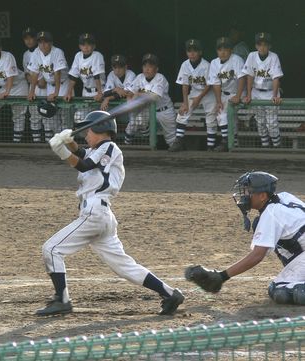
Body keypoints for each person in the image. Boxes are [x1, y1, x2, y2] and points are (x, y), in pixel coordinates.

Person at [36, 110, 185, 316]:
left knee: (51, 249)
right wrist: (69, 143)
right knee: (124, 266)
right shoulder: (100, 149)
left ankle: (62, 300)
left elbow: (85, 164)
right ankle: (170, 294)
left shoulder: (109, 147)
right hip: (101, 216)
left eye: (89, 129)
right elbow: (82, 154)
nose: (86, 134)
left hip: (94, 213)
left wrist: (62, 152)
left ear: (100, 129)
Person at [185, 171, 305, 305]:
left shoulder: (271, 214)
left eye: (249, 192)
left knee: (280, 290)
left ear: (263, 196)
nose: (244, 195)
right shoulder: (285, 197)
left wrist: (222, 276)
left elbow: (257, 256)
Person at [169, 39, 217, 152]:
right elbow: (185, 84)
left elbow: (209, 85)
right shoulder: (185, 65)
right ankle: (178, 142)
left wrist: (199, 98)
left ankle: (210, 146)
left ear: (200, 52)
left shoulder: (206, 65)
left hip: (208, 93)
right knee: (182, 114)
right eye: (189, 51)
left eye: (195, 50)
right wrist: (185, 103)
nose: (192, 53)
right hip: (194, 91)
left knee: (210, 119)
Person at [27, 31, 72, 141]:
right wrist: (31, 91)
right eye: (40, 42)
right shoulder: (36, 53)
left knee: (65, 116)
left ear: (51, 43)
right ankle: (58, 142)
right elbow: (34, 73)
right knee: (52, 116)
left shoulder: (57, 52)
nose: (42, 45)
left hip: (63, 84)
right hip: (50, 86)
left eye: (45, 42)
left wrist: (56, 92)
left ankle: (68, 143)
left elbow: (58, 73)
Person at [0, 37, 28, 142]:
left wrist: (7, 93)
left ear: (0, 48)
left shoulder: (8, 56)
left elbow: (10, 77)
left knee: (18, 114)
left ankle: (17, 141)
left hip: (19, 85)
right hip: (5, 86)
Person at [242, 32, 283, 148]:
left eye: (265, 44)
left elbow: (276, 77)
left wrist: (275, 95)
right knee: (260, 122)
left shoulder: (274, 57)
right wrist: (249, 95)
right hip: (256, 92)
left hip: (270, 92)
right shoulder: (251, 56)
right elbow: (249, 76)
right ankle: (265, 146)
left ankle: (277, 147)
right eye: (260, 44)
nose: (262, 47)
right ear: (256, 46)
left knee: (272, 123)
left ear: (269, 46)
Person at [126, 54, 176, 147]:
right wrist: (130, 104)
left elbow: (154, 97)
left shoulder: (160, 78)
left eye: (150, 66)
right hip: (148, 111)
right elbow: (129, 93)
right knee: (135, 122)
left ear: (156, 69)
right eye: (145, 66)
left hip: (164, 111)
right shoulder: (140, 77)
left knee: (172, 139)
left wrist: (137, 94)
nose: (147, 69)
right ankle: (126, 147)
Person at [207, 37, 245, 152]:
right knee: (222, 115)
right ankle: (233, 144)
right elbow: (216, 84)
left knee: (225, 116)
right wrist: (218, 101)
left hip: (239, 92)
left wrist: (238, 96)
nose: (222, 52)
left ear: (231, 50)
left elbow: (242, 79)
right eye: (220, 49)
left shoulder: (237, 59)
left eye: (226, 49)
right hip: (224, 94)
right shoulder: (214, 63)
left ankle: (226, 141)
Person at [65, 33, 106, 125]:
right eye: (83, 44)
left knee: (99, 121)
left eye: (89, 44)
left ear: (94, 46)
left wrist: (100, 93)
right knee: (79, 117)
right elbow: (73, 76)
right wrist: (68, 92)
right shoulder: (78, 56)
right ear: (80, 46)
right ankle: (88, 138)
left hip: (99, 90)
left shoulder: (97, 55)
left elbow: (97, 75)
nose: (86, 47)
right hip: (86, 92)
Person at [22, 27, 47, 143]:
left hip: (47, 87)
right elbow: (27, 74)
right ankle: (37, 143)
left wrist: (40, 80)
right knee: (34, 116)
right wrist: (36, 81)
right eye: (26, 38)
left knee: (48, 117)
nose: (29, 41)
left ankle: (49, 144)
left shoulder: (42, 50)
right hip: (34, 87)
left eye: (31, 38)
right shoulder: (25, 54)